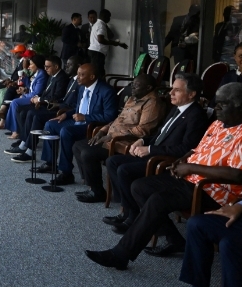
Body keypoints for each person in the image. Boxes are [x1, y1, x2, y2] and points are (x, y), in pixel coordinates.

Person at [85, 82, 242, 270]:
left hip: (214, 189)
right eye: (217, 103)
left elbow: (238, 174)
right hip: (190, 178)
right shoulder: (217, 124)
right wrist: (183, 160)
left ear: (240, 105)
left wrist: (191, 167)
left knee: (158, 201)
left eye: (223, 104)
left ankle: (120, 255)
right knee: (140, 187)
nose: (216, 107)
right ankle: (174, 239)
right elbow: (197, 149)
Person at [102, 73, 208, 233]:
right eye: (172, 89)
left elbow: (186, 148)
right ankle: (130, 211)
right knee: (113, 162)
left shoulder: (196, 115)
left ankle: (133, 217)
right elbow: (160, 135)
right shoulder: (176, 109)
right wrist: (144, 141)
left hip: (165, 161)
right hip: (155, 153)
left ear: (192, 94)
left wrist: (150, 149)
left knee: (124, 170)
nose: (170, 93)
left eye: (177, 90)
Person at [72, 74, 164, 203]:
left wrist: (111, 135)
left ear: (148, 87)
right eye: (133, 84)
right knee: (78, 146)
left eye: (136, 85)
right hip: (111, 138)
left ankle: (98, 192)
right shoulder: (133, 98)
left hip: (125, 142)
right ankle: (92, 185)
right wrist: (102, 131)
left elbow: (142, 130)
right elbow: (118, 119)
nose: (132, 87)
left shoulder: (152, 103)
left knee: (88, 153)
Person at [35, 64, 118, 184]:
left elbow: (110, 116)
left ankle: (66, 173)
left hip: (92, 125)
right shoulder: (82, 87)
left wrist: (86, 117)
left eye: (81, 75)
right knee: (50, 125)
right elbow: (77, 108)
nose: (77, 77)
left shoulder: (106, 91)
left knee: (66, 131)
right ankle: (50, 163)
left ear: (92, 76)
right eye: (77, 74)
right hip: (77, 121)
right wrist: (66, 115)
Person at [0, 54, 47, 134]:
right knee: (12, 101)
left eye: (31, 64)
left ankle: (15, 130)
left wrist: (24, 95)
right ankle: (11, 127)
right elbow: (31, 87)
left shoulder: (42, 75)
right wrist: (25, 80)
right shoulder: (36, 73)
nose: (29, 67)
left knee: (15, 102)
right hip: (29, 95)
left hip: (34, 99)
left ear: (37, 64)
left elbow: (36, 93)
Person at [87, 9, 128, 78]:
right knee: (99, 74)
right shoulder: (101, 25)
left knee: (97, 72)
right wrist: (114, 43)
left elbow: (108, 36)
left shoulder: (97, 24)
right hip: (97, 52)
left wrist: (118, 44)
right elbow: (100, 40)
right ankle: (102, 88)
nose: (109, 19)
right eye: (109, 17)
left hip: (95, 52)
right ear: (104, 16)